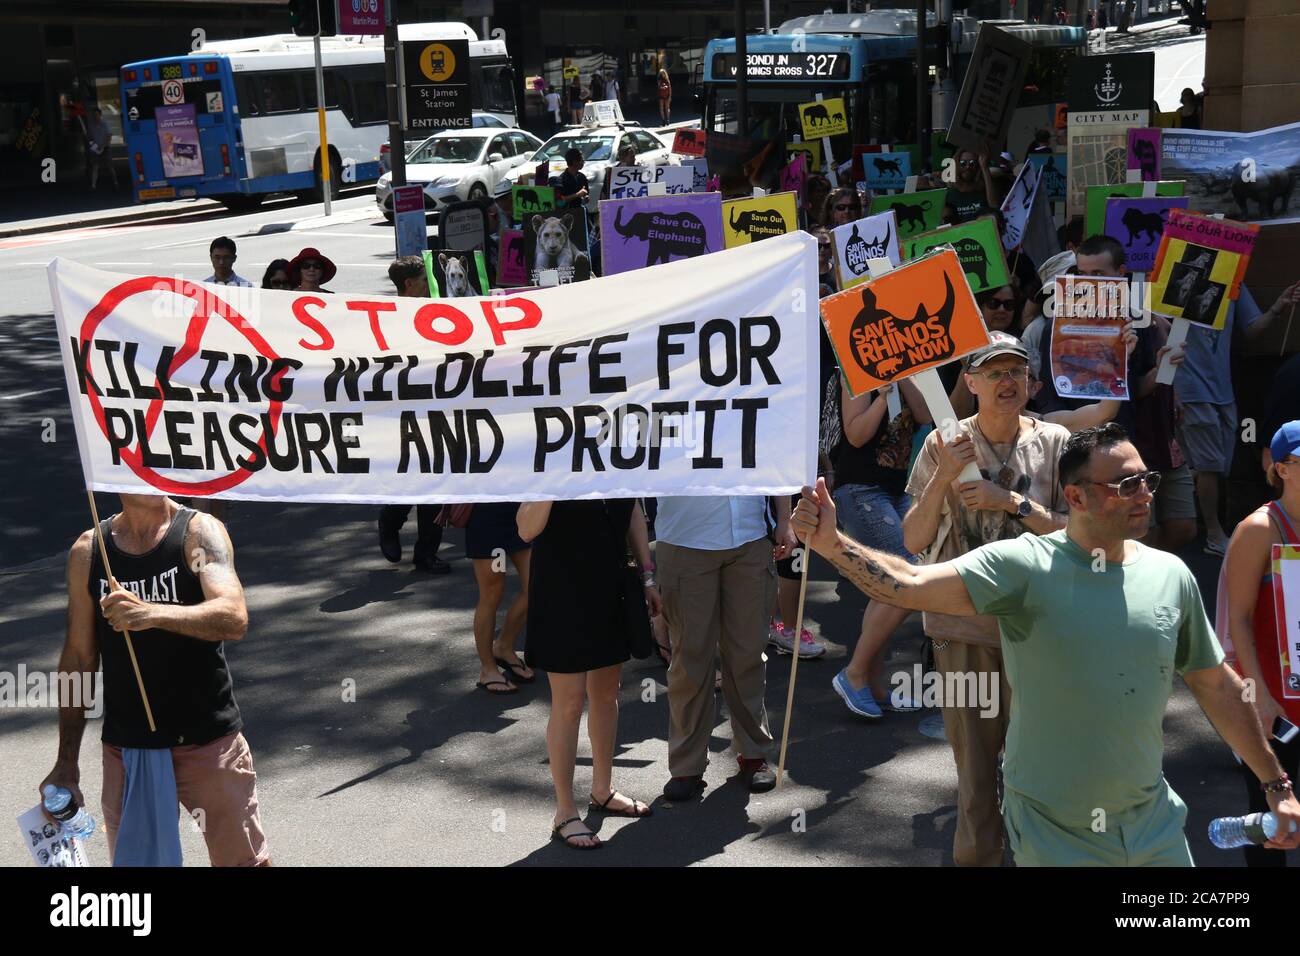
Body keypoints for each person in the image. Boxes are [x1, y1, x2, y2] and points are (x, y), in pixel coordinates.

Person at [793, 423, 1300, 866]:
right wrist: (834, 546)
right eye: (1126, 484)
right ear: (1076, 497)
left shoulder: (1170, 574)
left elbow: (1216, 684)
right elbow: (907, 583)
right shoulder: (1023, 566)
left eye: (1147, 480)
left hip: (1155, 824)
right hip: (1056, 830)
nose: (1144, 494)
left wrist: (1276, 785)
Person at [903, 333, 1070, 865]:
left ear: (1030, 381)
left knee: (1042, 775)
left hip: (1041, 633)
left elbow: (1086, 536)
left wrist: (1013, 503)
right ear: (969, 382)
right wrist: (944, 479)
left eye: (1016, 372)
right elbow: (912, 540)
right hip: (965, 632)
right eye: (993, 372)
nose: (1007, 382)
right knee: (976, 784)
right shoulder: (941, 442)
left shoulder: (1057, 442)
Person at [41, 494, 270, 866]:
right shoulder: (89, 552)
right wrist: (66, 761)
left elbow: (233, 616)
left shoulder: (198, 532)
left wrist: (152, 613)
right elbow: (78, 659)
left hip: (206, 741)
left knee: (244, 863)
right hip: (129, 748)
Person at [517, 499, 659, 849]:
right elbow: (526, 528)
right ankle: (564, 811)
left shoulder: (618, 451)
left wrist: (648, 575)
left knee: (607, 693)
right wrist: (555, 481)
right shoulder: (552, 453)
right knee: (569, 703)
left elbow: (635, 512)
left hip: (610, 586)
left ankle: (602, 790)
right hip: (560, 589)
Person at [658, 493, 796, 799]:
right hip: (684, 538)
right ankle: (686, 766)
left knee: (748, 653)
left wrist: (785, 519)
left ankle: (753, 754)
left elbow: (774, 457)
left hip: (750, 538)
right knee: (689, 657)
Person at [829, 376, 932, 717]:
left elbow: (924, 414)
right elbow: (856, 434)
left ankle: (871, 684)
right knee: (904, 575)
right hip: (860, 491)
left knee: (887, 588)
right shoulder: (853, 376)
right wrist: (881, 395)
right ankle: (855, 672)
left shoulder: (906, 375)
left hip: (895, 491)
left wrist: (907, 378)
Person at [1174, 280, 1300, 555]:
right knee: (1209, 464)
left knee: (1220, 464)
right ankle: (1214, 533)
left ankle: (1204, 516)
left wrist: (1278, 306)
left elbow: (1252, 328)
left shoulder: (1235, 282)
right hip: (1190, 387)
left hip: (1223, 388)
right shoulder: (1176, 275)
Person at [1223, 422, 1300, 867]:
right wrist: (1261, 698)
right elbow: (1239, 620)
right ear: (1282, 468)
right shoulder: (1260, 528)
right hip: (1278, 701)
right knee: (1273, 829)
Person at [376, 257, 451, 575]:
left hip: (435, 406)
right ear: (409, 284)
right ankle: (390, 521)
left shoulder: (434, 312)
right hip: (403, 411)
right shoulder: (389, 319)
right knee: (410, 478)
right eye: (423, 279)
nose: (428, 283)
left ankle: (426, 553)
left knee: (436, 481)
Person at [466, 503, 532, 693]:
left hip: (522, 509)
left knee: (535, 586)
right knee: (492, 592)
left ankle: (504, 647)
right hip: (488, 515)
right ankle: (488, 669)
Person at [944, 150, 997, 224]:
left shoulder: (985, 189)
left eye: (972, 163)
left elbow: (994, 207)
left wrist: (985, 167)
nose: (968, 167)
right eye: (963, 163)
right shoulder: (949, 194)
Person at [85, 108, 117, 191]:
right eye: (94, 115)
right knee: (95, 167)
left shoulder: (105, 124)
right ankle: (93, 185)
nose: (95, 116)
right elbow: (90, 137)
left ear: (100, 115)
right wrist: (93, 145)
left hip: (105, 148)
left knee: (110, 166)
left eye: (97, 114)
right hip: (95, 149)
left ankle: (115, 182)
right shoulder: (92, 126)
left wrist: (103, 146)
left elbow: (109, 136)